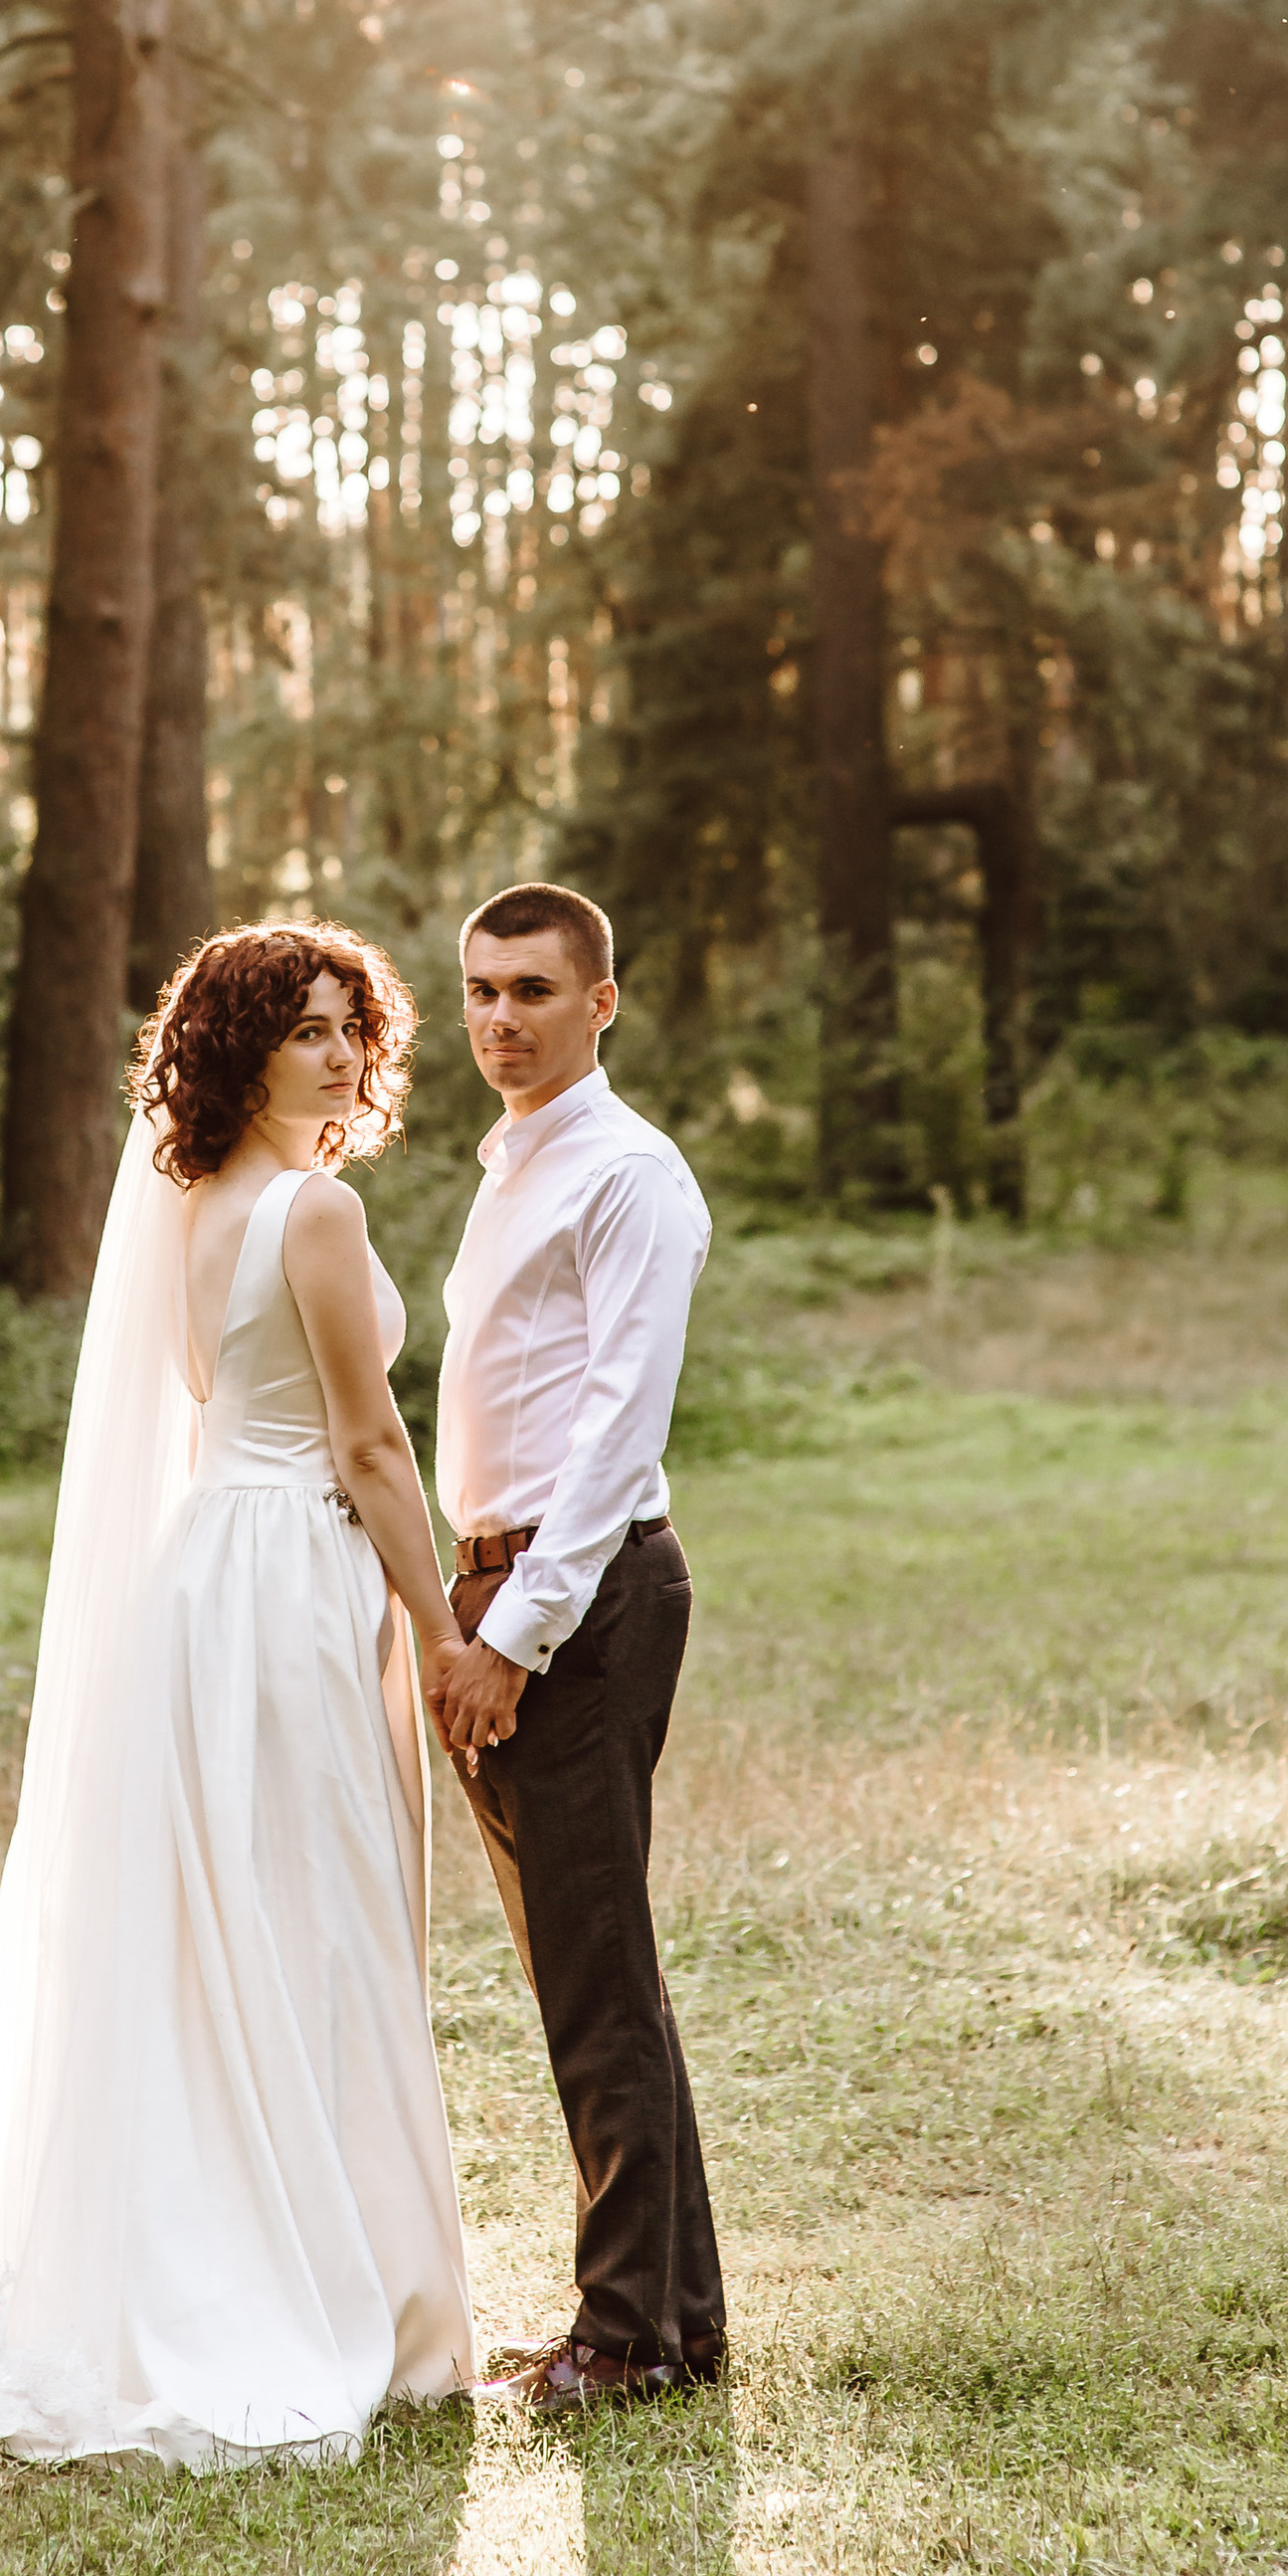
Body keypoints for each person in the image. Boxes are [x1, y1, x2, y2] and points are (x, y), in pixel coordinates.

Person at [0, 920, 474, 2467]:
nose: (342, 1054)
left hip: (199, 1577)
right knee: (320, 1913)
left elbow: (214, 1402)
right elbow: (367, 1446)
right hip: (293, 1577)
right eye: (305, 1030)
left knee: (218, 1925)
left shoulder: (185, 1202)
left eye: (354, 1025)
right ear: (242, 1050)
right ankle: (332, 2280)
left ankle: (209, 2247)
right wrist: (441, 1624)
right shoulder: (320, 1211)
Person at [427, 882, 726, 2412]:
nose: (500, 1017)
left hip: (582, 1599)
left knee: (595, 1976)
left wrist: (518, 1635)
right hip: (505, 1595)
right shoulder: (512, 1164)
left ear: (601, 999)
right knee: (589, 1965)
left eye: (533, 990)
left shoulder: (628, 1173)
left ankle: (621, 2339)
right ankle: (680, 2318)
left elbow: (615, 1432)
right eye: (480, 989)